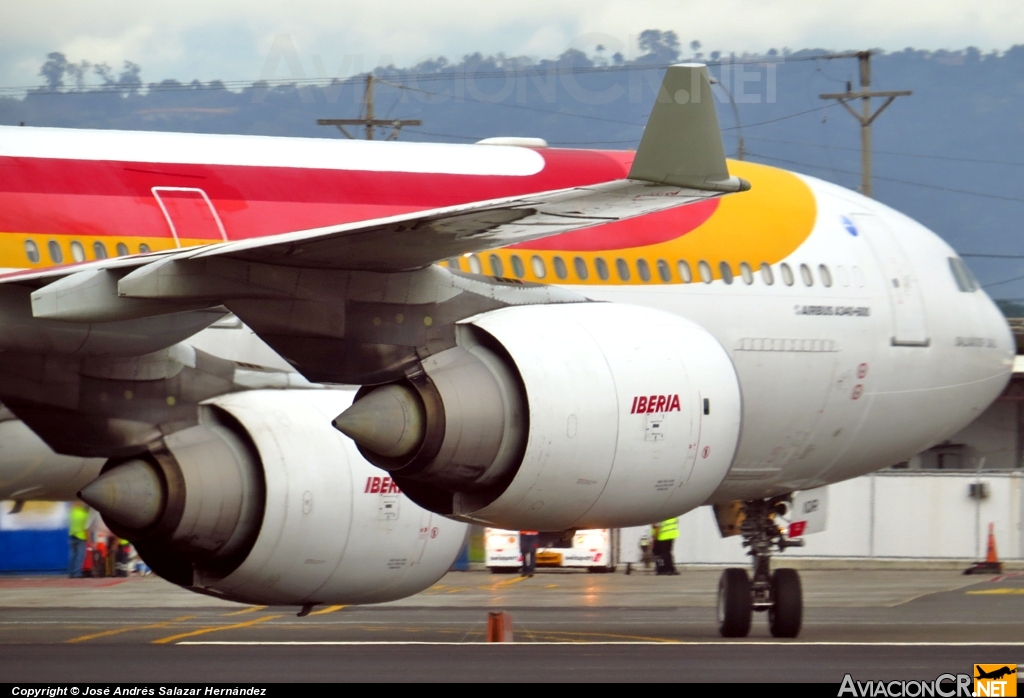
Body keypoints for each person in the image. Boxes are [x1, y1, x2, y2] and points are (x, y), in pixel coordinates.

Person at [67, 502, 89, 578]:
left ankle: (71, 573)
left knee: (72, 555)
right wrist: (89, 540)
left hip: (72, 535)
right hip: (81, 537)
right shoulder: (85, 515)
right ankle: (77, 573)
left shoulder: (72, 512)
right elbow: (86, 528)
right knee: (80, 556)